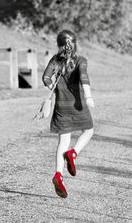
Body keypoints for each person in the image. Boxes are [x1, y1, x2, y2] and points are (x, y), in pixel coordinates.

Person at [42, 29, 95, 198]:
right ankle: (73, 153)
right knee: (88, 131)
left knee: (63, 141)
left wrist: (55, 90)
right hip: (78, 106)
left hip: (61, 107)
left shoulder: (55, 61)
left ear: (59, 46)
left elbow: (46, 78)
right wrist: (88, 97)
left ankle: (58, 174)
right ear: (75, 45)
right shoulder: (81, 60)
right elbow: (84, 78)